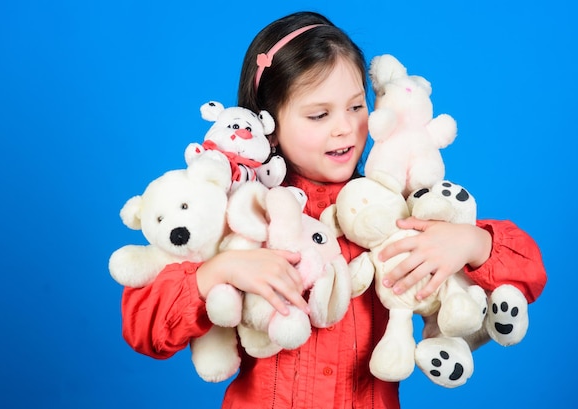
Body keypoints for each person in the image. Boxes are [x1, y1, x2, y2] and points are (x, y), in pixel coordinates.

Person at [121, 11, 547, 409]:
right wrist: (221, 270)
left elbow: (528, 271)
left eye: (357, 107)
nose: (344, 127)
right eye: (319, 114)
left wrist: (471, 243)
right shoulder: (236, 211)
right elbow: (142, 325)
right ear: (267, 127)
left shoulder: (395, 206)